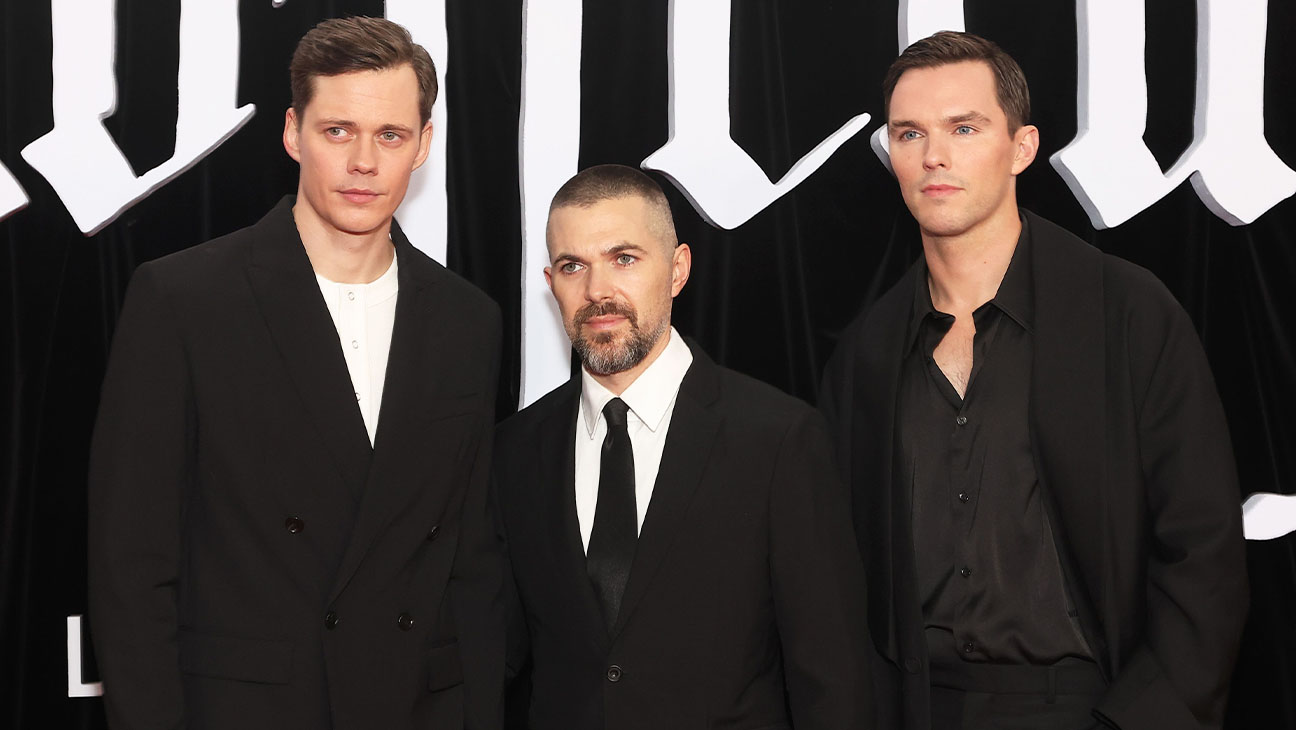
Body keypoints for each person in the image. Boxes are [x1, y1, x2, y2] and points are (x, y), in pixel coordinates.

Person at [820, 31, 1248, 730]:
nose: (934, 156)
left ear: (1021, 147)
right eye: (909, 134)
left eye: (964, 128)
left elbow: (1205, 557)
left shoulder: (1129, 315)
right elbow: (837, 583)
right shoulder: (865, 356)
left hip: (1091, 706)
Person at [87, 17, 504, 730]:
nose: (364, 162)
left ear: (424, 146)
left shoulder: (468, 320)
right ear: (293, 133)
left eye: (390, 136)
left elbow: (471, 564)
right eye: (338, 131)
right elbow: (131, 565)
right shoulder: (185, 300)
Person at [494, 164, 872, 729]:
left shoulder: (777, 440)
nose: (598, 291)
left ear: (677, 270)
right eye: (574, 266)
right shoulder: (516, 451)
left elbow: (833, 681)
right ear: (551, 284)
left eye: (624, 259)